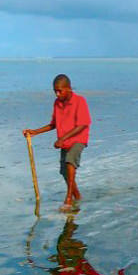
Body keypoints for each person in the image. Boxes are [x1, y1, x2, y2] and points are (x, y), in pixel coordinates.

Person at [23, 74, 91, 210]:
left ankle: (68, 199)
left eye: (60, 91)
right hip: (64, 142)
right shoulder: (57, 103)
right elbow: (53, 124)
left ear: (69, 89)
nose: (57, 94)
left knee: (70, 160)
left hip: (78, 139)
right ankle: (77, 196)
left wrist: (62, 138)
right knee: (64, 172)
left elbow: (82, 124)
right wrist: (35, 132)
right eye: (55, 91)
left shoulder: (80, 101)